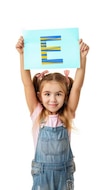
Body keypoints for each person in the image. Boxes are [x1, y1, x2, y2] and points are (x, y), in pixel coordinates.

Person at [17, 36, 89, 190]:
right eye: (47, 94)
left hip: (64, 175)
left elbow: (77, 87)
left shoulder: (67, 114)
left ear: (65, 96)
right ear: (39, 96)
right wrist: (23, 55)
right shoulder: (37, 113)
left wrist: (82, 59)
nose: (53, 99)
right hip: (42, 175)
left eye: (59, 94)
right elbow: (27, 84)